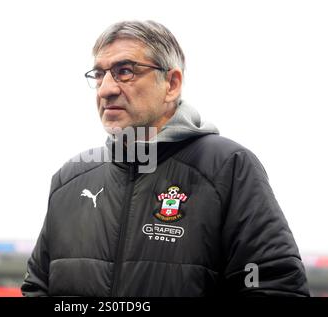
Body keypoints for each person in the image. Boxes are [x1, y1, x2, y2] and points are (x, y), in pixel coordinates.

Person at [21, 20, 310, 296]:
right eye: (99, 74)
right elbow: (37, 286)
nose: (106, 89)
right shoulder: (68, 180)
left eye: (125, 71)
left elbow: (272, 283)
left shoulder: (227, 167)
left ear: (171, 84)